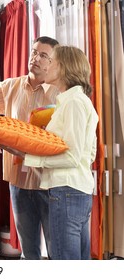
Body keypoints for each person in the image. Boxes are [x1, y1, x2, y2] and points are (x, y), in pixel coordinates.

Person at [0, 36, 60, 259]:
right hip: (18, 182)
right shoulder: (10, 87)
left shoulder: (59, 94)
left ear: (53, 62)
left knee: (56, 248)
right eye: (33, 52)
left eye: (43, 55)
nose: (35, 59)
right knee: (28, 249)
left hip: (48, 180)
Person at [21, 46, 99, 260]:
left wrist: (31, 158)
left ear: (64, 68)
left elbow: (73, 156)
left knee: (65, 261)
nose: (47, 65)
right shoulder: (75, 101)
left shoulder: (73, 103)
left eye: (52, 61)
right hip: (75, 191)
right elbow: (88, 154)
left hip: (67, 191)